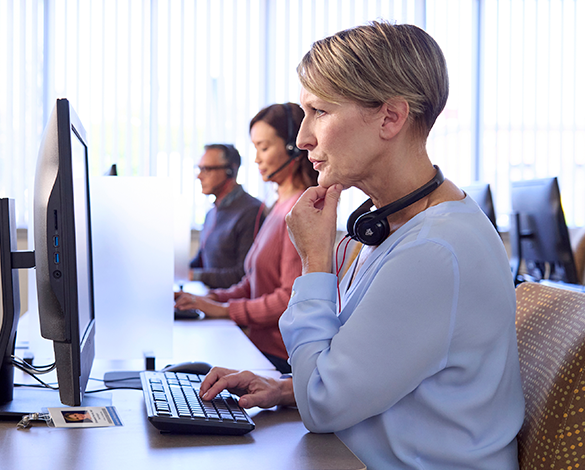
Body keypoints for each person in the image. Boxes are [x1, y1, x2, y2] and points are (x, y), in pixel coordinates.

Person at [199, 22, 525, 469]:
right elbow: (373, 369)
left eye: (320, 112)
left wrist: (315, 262)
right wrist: (285, 388)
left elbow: (325, 406)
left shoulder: (434, 251)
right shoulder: (395, 225)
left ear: (391, 117)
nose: (302, 138)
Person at [176, 103, 319, 374]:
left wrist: (224, 310)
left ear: (293, 148)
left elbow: (287, 299)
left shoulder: (301, 210)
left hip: (278, 358)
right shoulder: (277, 205)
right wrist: (210, 300)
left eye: (264, 148)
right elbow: (253, 284)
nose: (256, 159)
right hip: (257, 345)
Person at [189, 144, 266, 289]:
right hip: (209, 299)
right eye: (199, 169)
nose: (199, 176)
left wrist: (194, 276)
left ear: (230, 170)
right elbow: (200, 260)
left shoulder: (251, 211)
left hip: (229, 305)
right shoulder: (211, 213)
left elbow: (243, 275)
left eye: (206, 169)